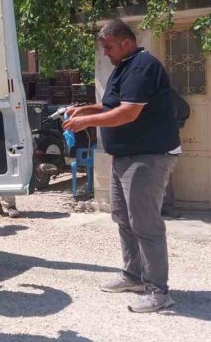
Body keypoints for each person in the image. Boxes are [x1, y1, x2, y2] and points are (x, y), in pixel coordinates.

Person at [63, 19, 180, 313]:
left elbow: (128, 113)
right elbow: (111, 106)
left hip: (147, 156)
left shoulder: (142, 66)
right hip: (125, 156)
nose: (105, 53)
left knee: (145, 224)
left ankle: (158, 291)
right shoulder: (124, 66)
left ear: (126, 42)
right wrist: (84, 110)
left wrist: (85, 122)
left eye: (108, 47)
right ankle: (133, 276)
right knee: (124, 218)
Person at [162, 90, 190, 218]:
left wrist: (176, 124)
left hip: (166, 144)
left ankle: (166, 207)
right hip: (155, 144)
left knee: (165, 176)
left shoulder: (169, 95)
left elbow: (184, 110)